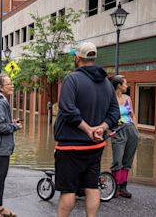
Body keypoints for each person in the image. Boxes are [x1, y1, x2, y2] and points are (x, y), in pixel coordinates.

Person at [54, 42, 120, 217]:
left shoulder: (72, 79)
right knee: (92, 187)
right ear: (94, 58)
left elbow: (67, 110)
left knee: (68, 191)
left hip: (70, 147)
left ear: (77, 58)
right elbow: (115, 112)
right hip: (94, 147)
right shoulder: (106, 82)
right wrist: (102, 127)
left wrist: (88, 129)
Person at [0, 74, 21, 217]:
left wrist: (11, 122)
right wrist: (14, 126)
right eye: (9, 84)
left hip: (0, 148)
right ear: (0, 87)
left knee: (0, 179)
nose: (12, 86)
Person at [110, 75, 139, 198]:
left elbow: (132, 114)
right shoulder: (110, 99)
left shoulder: (128, 98)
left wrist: (136, 129)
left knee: (128, 159)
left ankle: (123, 187)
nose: (127, 86)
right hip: (118, 130)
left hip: (131, 130)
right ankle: (115, 186)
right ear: (119, 86)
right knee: (117, 159)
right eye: (125, 84)